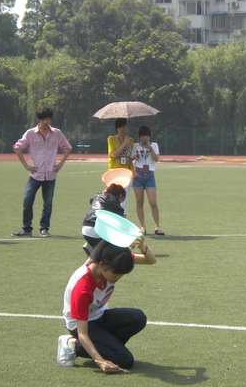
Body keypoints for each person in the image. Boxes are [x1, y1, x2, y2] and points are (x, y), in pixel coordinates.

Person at [57, 239, 156, 372]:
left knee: (137, 318)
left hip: (101, 316)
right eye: (116, 274)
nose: (118, 278)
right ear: (102, 265)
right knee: (125, 360)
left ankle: (107, 348)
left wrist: (141, 245)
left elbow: (150, 260)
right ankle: (73, 345)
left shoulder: (114, 259)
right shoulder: (82, 288)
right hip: (83, 326)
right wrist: (100, 361)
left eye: (122, 274)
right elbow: (82, 333)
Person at [12, 106, 72, 238]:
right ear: (39, 119)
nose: (46, 121)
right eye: (44, 119)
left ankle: (44, 228)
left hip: (50, 174)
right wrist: (26, 166)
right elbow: (17, 147)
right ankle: (27, 229)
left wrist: (60, 164)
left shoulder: (56, 133)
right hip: (35, 174)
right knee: (27, 200)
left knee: (48, 203)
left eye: (48, 119)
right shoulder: (30, 133)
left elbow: (67, 148)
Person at [130, 125, 164, 235]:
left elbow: (156, 159)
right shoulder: (135, 146)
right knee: (139, 202)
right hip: (138, 175)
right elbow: (130, 160)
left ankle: (157, 226)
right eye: (143, 136)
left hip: (149, 175)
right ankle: (143, 227)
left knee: (153, 202)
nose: (145, 138)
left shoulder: (154, 145)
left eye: (147, 135)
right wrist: (133, 167)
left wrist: (150, 149)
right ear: (139, 136)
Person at [81, 183, 126, 255]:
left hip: (85, 229)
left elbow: (91, 200)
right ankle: (97, 250)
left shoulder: (98, 196)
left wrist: (101, 192)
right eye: (122, 199)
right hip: (96, 233)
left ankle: (91, 245)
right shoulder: (118, 208)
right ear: (120, 196)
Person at [107, 118, 133, 216]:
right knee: (112, 199)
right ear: (116, 128)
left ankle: (122, 221)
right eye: (120, 127)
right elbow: (113, 154)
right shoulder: (111, 139)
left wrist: (133, 166)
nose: (122, 129)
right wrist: (124, 144)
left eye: (124, 127)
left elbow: (129, 157)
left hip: (125, 173)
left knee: (124, 202)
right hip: (113, 173)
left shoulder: (130, 140)